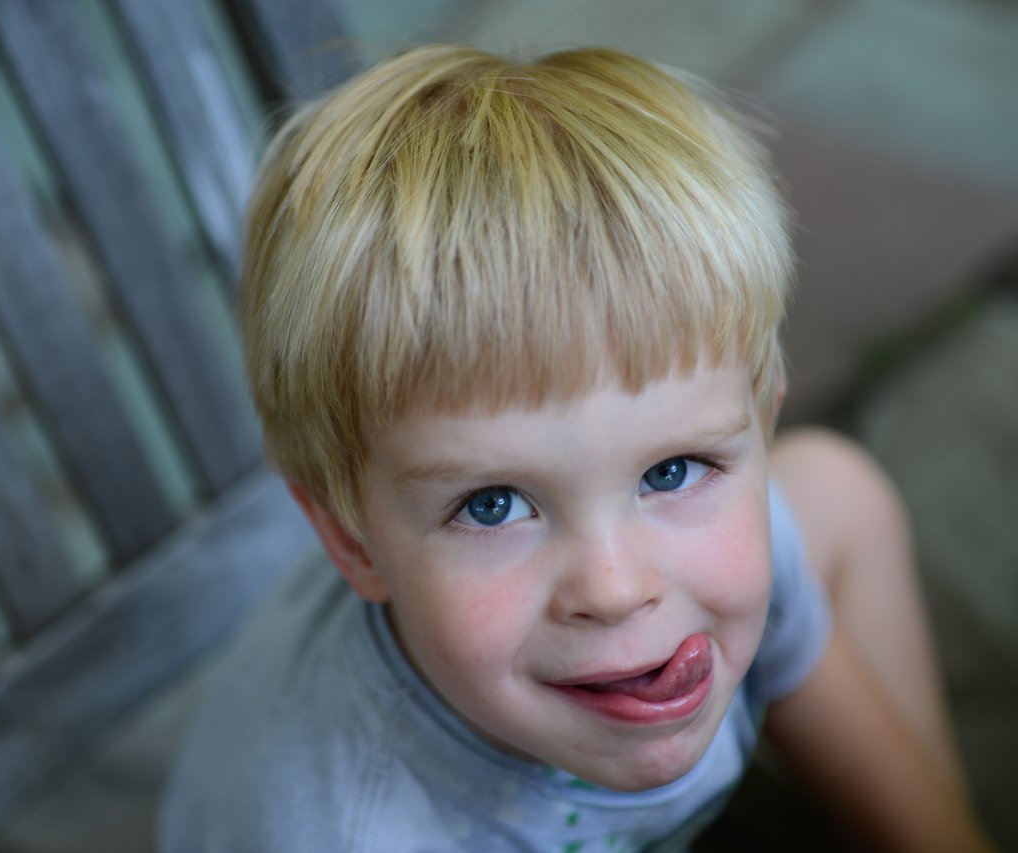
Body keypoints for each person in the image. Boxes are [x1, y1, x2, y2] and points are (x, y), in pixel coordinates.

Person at [158, 44, 991, 851]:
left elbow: (811, 663)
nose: (617, 587)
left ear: (758, 431)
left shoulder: (736, 543)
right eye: (493, 504)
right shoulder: (352, 829)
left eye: (670, 470)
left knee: (838, 491)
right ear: (350, 537)